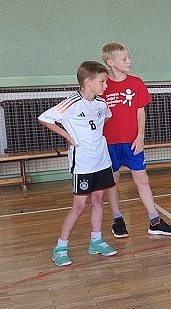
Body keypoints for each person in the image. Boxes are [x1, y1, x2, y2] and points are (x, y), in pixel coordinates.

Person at [39, 61, 118, 266]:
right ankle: (60, 247)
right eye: (102, 82)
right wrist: (69, 136)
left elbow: (105, 118)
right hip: (83, 163)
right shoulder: (72, 102)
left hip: (101, 160)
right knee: (79, 206)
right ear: (88, 82)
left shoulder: (101, 104)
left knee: (98, 199)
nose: (106, 85)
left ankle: (96, 241)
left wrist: (94, 137)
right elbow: (45, 118)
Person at [101, 43, 171, 237]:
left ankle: (155, 221)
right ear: (111, 62)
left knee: (142, 179)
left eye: (129, 57)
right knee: (112, 181)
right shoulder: (102, 85)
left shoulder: (136, 83)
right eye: (124, 58)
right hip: (108, 143)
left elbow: (140, 112)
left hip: (132, 142)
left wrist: (140, 136)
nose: (129, 61)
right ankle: (118, 220)